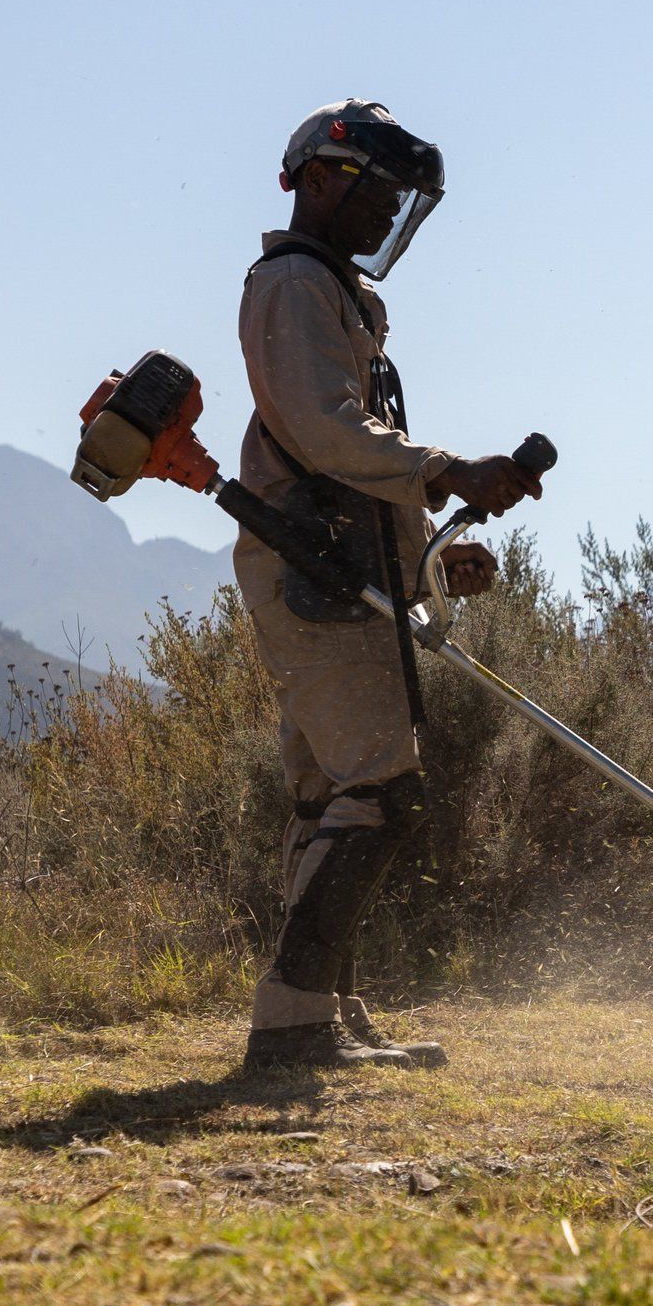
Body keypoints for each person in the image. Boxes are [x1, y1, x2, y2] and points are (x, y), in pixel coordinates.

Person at [233, 100, 538, 1071]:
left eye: (401, 202)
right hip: (312, 574)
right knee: (380, 792)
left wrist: (426, 553)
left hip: (345, 566)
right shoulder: (291, 285)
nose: (385, 218)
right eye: (378, 193)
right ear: (321, 179)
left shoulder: (336, 294)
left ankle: (323, 1008)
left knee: (328, 796)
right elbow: (323, 433)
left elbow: (353, 463)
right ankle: (291, 1025)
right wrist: (448, 472)